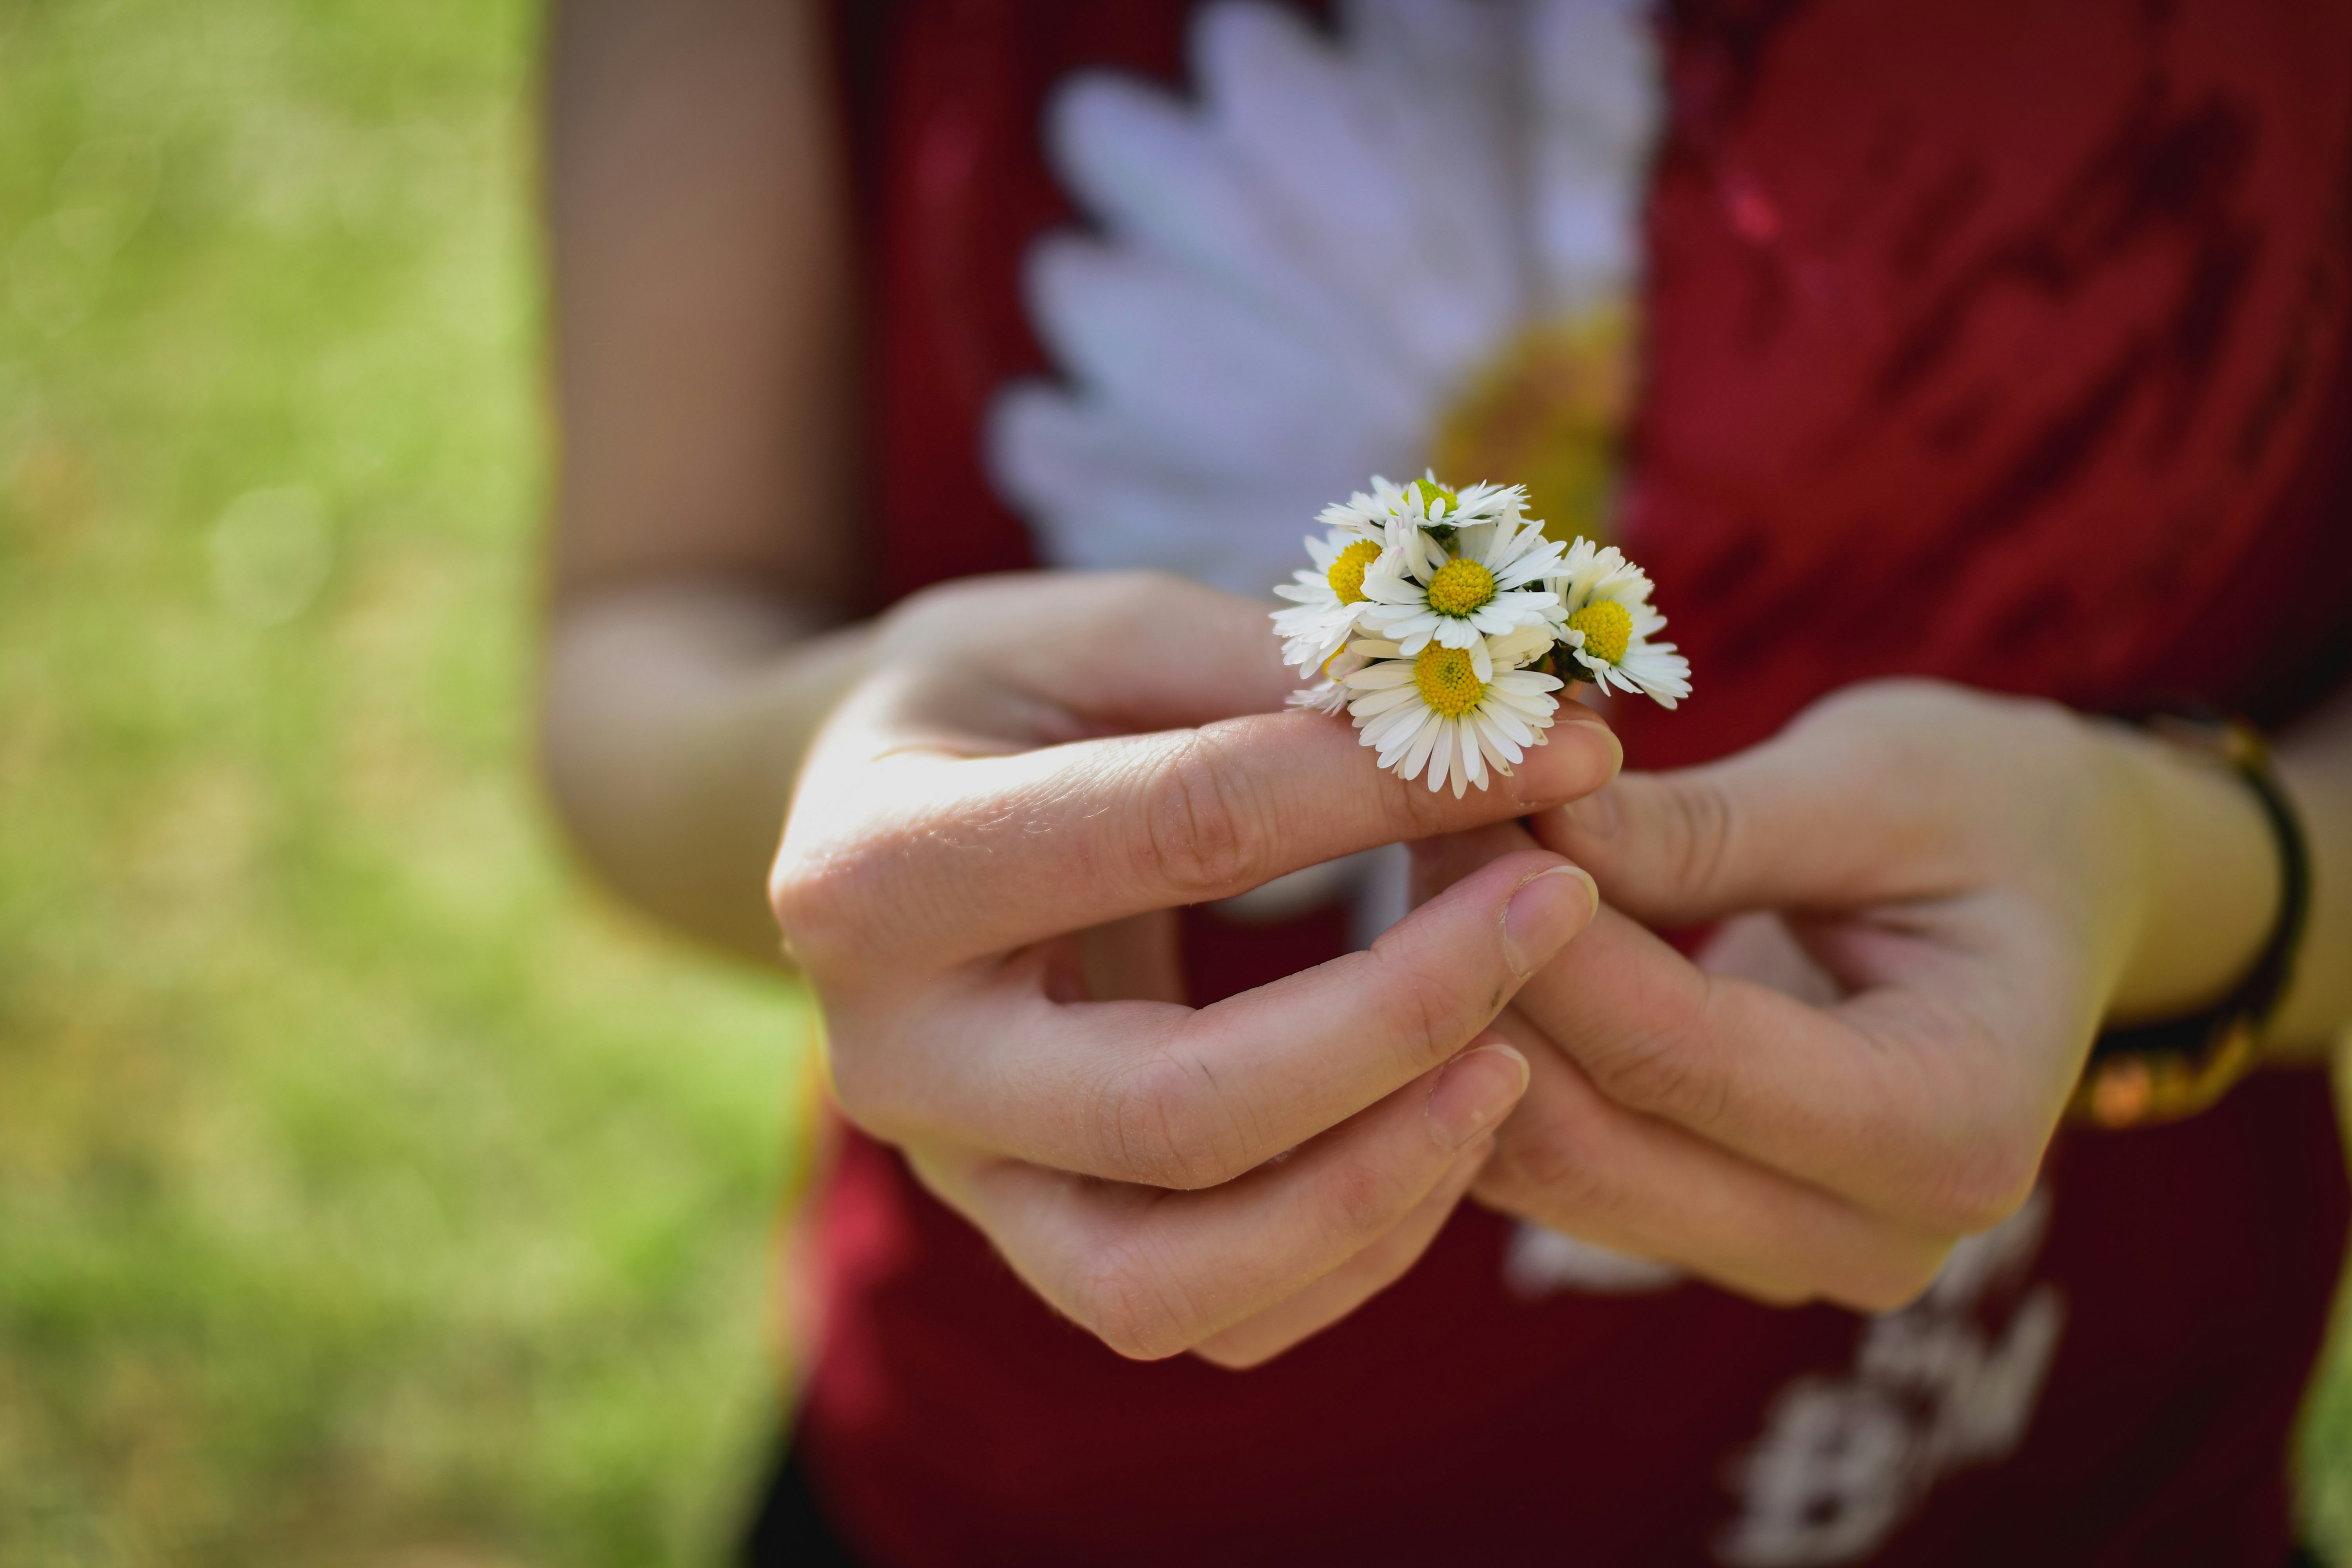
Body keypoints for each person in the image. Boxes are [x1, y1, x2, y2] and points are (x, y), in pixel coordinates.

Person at [537, 0, 2352, 1562]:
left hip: (2042, 1464)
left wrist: (2184, 879)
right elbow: (643, 633)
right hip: (1052, 1475)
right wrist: (837, 777)